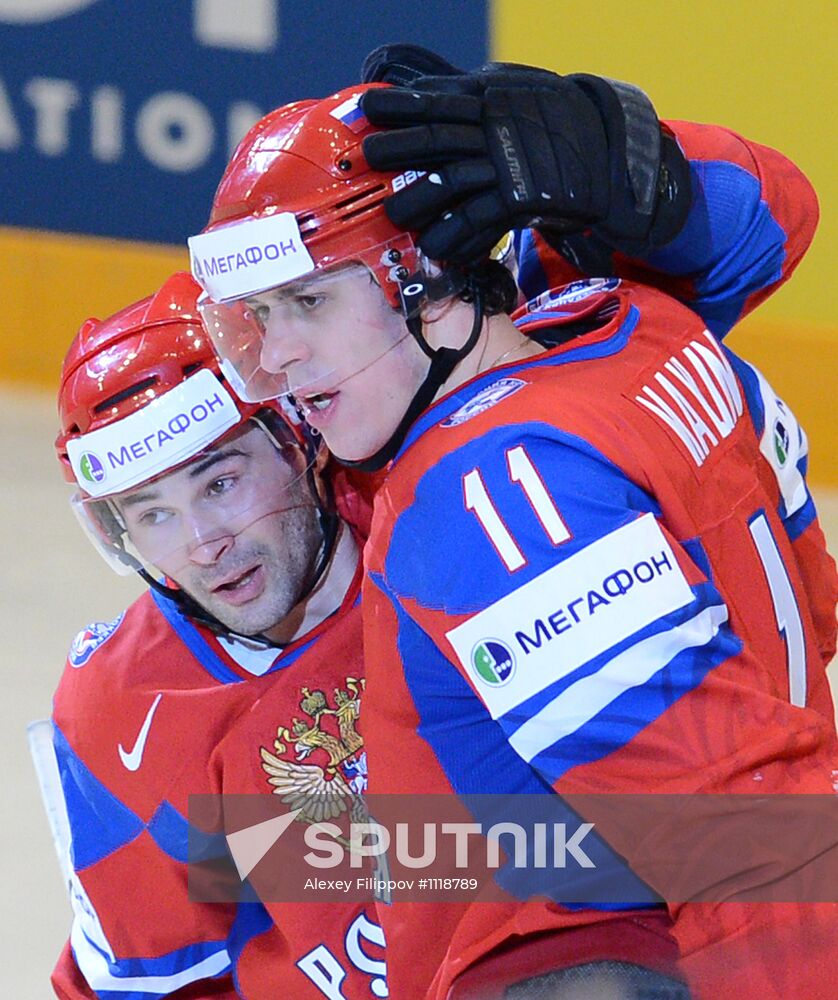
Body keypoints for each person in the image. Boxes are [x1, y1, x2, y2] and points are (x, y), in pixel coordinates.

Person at [188, 65, 838, 1000]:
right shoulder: (640, 320)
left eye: (312, 301)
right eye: (258, 317)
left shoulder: (488, 494)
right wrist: (641, 169)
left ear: (430, 278)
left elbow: (737, 832)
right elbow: (774, 215)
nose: (279, 354)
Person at [48, 272, 384, 999]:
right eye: (153, 514)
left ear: (297, 442)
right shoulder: (124, 707)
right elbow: (158, 984)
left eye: (221, 483)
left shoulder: (435, 523)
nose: (203, 544)